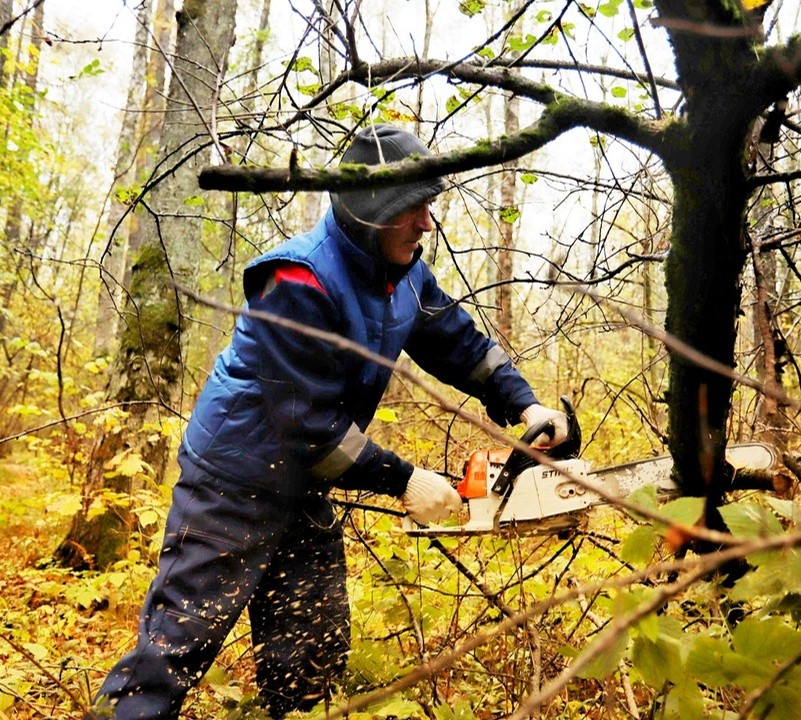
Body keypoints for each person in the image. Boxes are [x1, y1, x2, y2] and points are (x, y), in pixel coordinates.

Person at [87, 124, 569, 720]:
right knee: (173, 652)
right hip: (233, 482)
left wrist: (526, 405)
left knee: (310, 653)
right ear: (374, 211)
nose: (425, 223)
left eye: (428, 206)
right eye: (413, 208)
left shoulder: (406, 273)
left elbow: (459, 344)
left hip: (303, 484)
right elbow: (307, 425)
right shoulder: (297, 279)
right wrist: (405, 479)